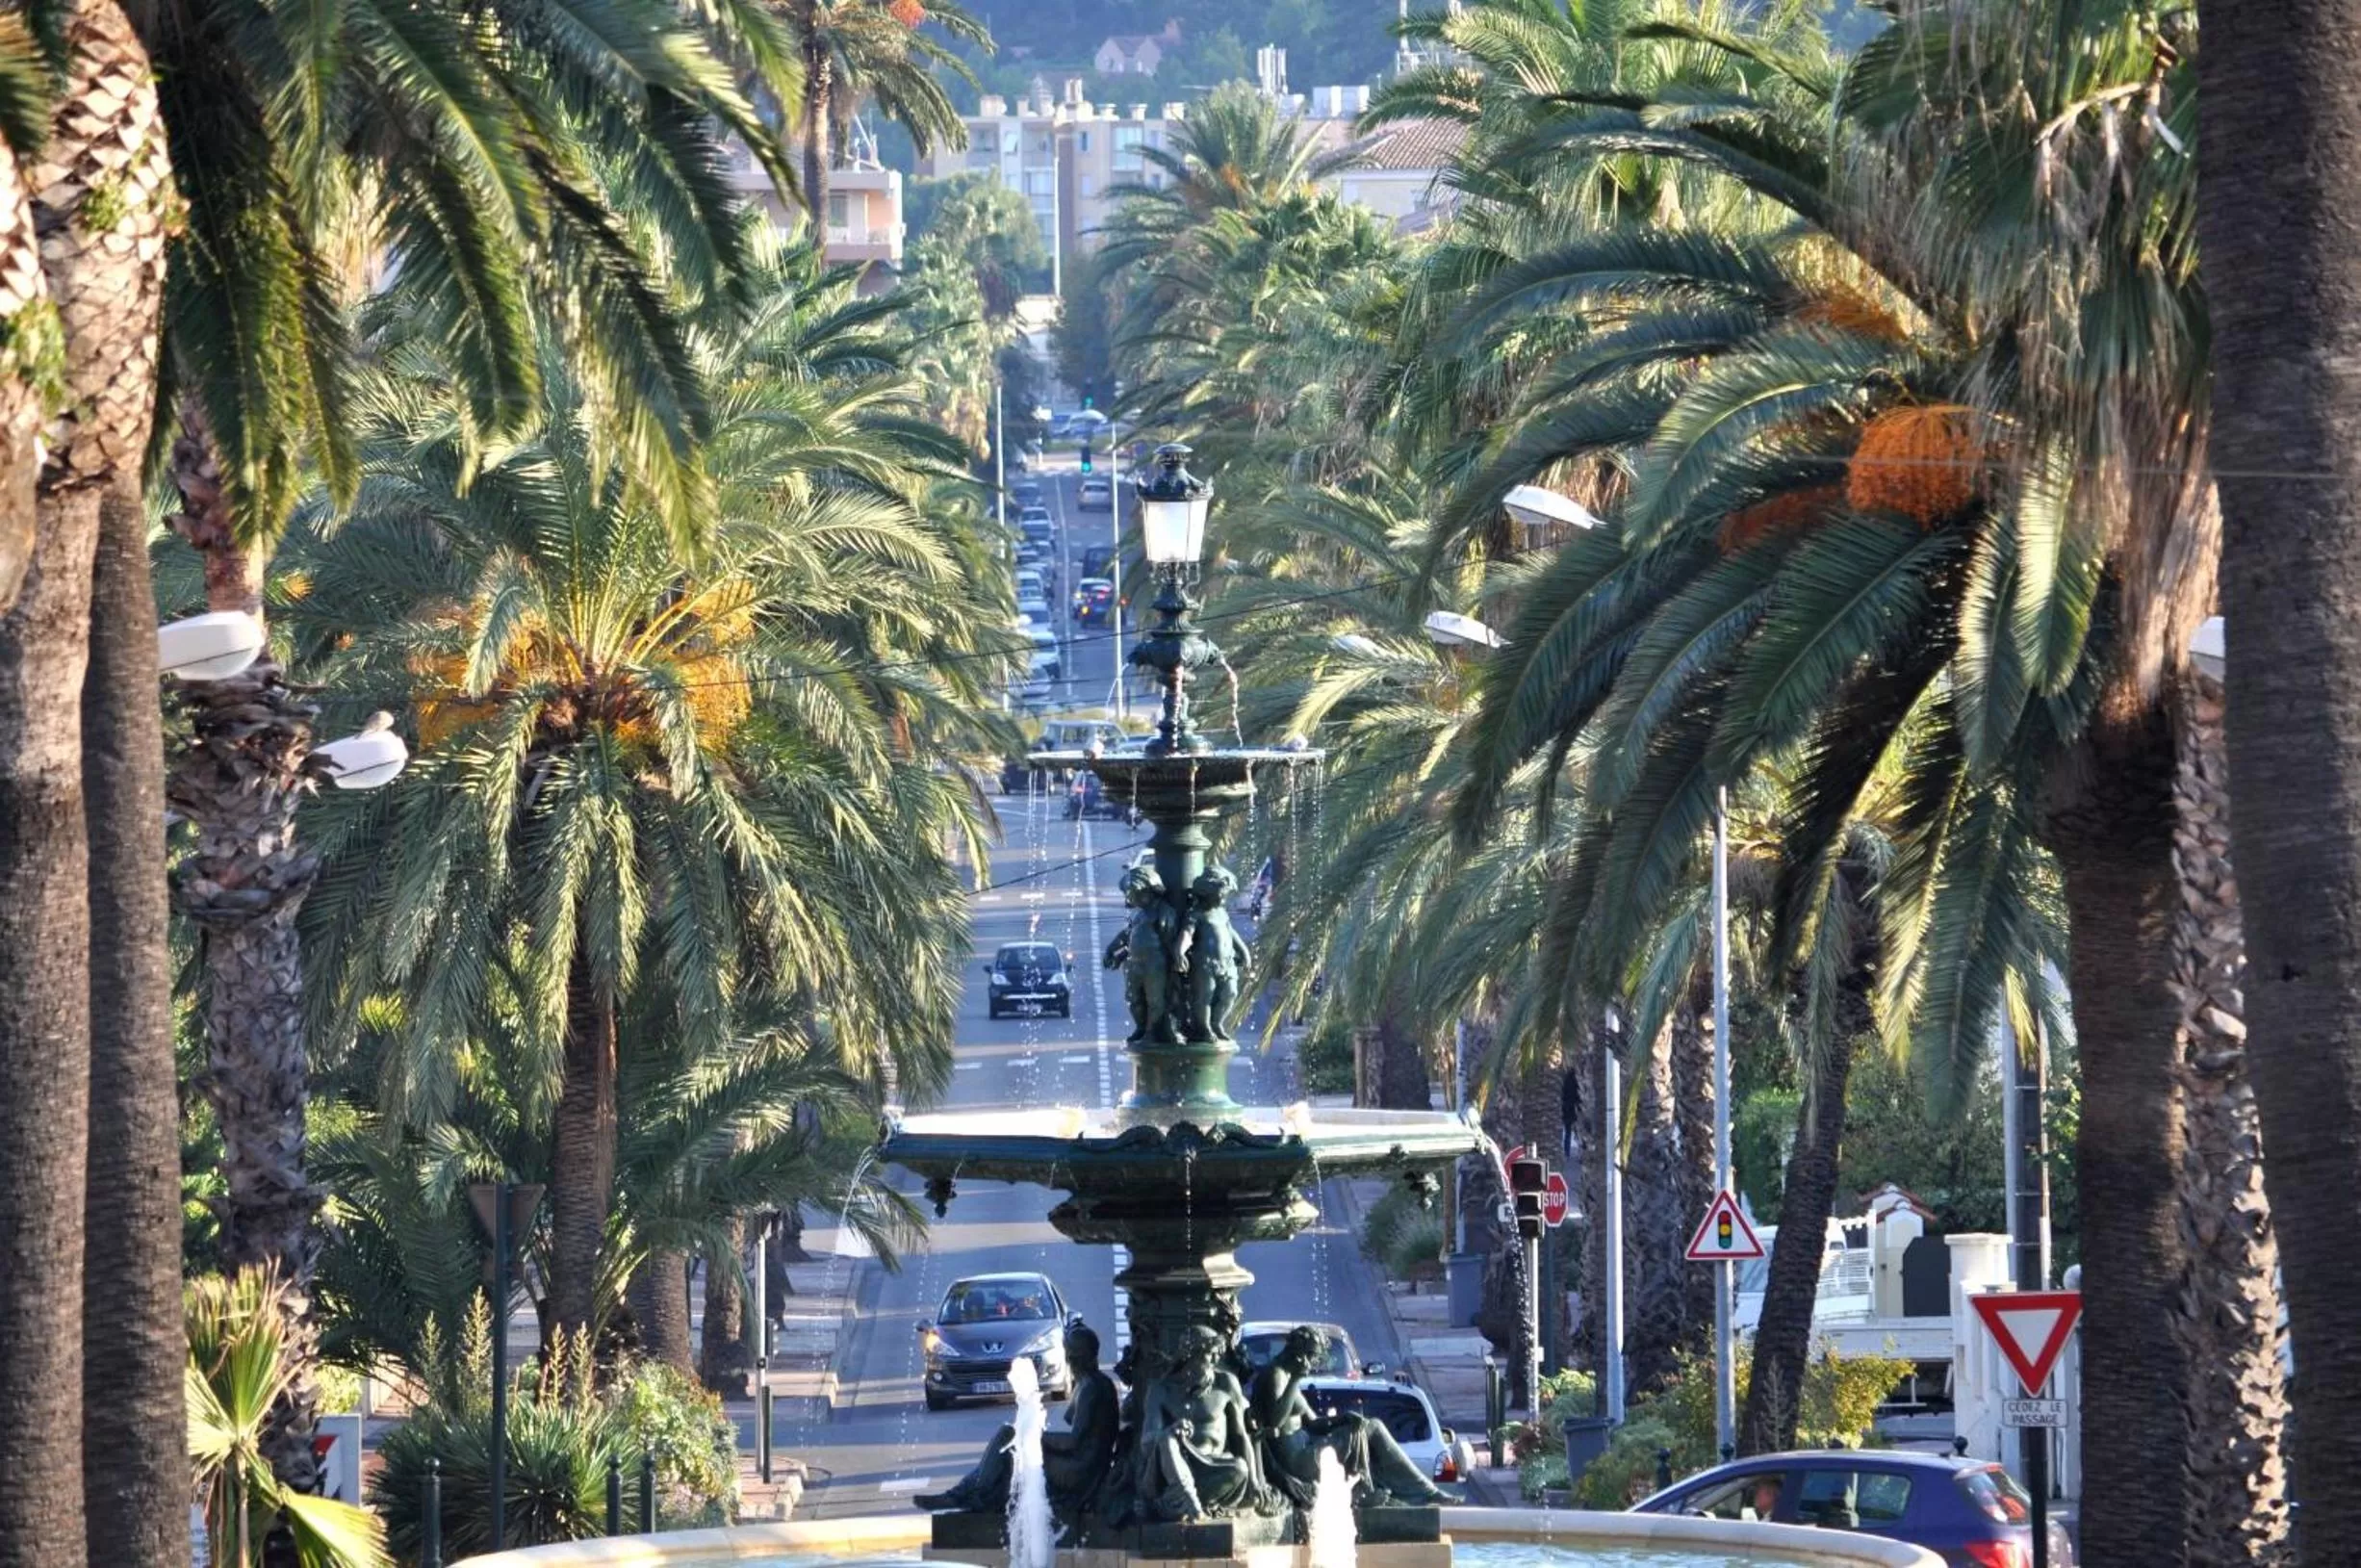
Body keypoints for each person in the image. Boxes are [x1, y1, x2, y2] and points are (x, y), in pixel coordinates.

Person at [914, 1324, 1122, 1515]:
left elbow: (1075, 1442)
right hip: (1083, 1465)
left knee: (1010, 1437)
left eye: (1070, 1355)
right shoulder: (1093, 1383)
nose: (1068, 1361)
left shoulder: (1091, 1389)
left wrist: (1034, 1437)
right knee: (1011, 1441)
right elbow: (1073, 1421)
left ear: (1076, 1357)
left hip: (1078, 1471)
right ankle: (964, 1493)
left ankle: (972, 1495)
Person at [1250, 1324, 1447, 1509]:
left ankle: (1424, 1491)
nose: (1310, 1363)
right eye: (1309, 1355)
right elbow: (1274, 1420)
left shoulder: (1287, 1373)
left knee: (1372, 1426)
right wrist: (1296, 1379)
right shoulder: (1276, 1375)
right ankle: (1365, 1491)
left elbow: (1312, 1423)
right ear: (1296, 1349)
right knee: (1357, 1433)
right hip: (1297, 1461)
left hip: (1307, 1448)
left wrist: (1343, 1418)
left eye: (1314, 1358)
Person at [1136, 1326, 1268, 1521]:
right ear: (1189, 1355)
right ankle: (1188, 1501)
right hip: (1170, 1468)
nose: (1215, 1362)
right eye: (1209, 1355)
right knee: (1166, 1438)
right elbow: (1147, 1443)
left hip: (1213, 1468)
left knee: (1239, 1468)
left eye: (1217, 1356)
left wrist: (1255, 1482)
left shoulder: (1226, 1384)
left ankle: (1172, 1504)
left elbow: (1240, 1436)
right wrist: (1172, 1430)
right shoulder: (1161, 1389)